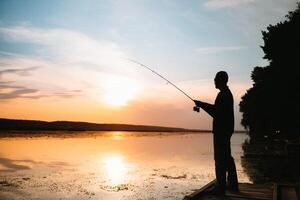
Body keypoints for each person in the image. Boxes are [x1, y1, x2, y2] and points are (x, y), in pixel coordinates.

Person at [194, 71, 238, 196]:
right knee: (227, 157)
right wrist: (202, 105)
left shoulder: (224, 95)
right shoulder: (226, 94)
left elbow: (216, 112)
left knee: (220, 159)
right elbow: (217, 111)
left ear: (221, 80)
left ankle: (220, 187)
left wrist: (201, 105)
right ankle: (233, 184)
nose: (214, 81)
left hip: (221, 131)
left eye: (215, 79)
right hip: (225, 130)